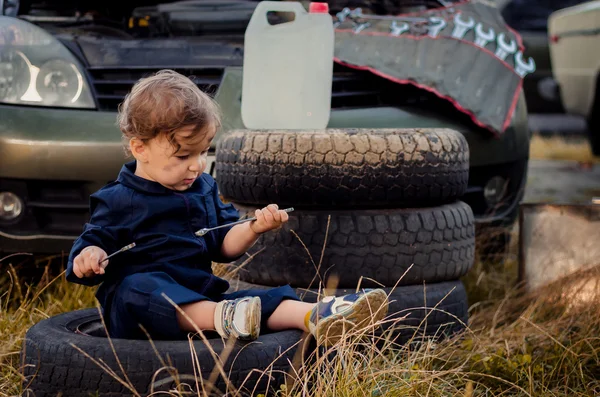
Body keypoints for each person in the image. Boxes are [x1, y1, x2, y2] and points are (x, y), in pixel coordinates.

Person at [66, 69, 389, 346]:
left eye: (204, 152)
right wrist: (90, 256)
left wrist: (254, 226)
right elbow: (93, 241)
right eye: (183, 156)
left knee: (267, 300)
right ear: (140, 148)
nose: (197, 166)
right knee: (137, 287)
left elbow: (223, 245)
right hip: (140, 313)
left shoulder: (202, 187)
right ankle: (224, 318)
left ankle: (318, 315)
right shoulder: (118, 198)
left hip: (203, 300)